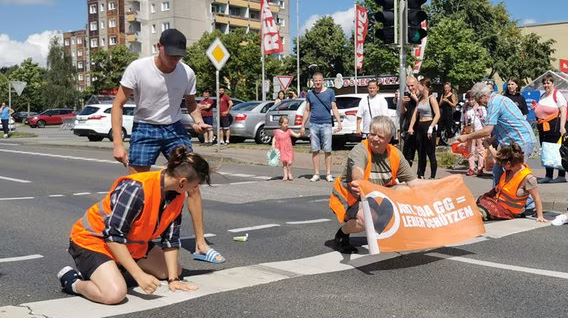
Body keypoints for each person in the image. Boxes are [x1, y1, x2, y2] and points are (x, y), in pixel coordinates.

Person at [110, 29, 224, 264]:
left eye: (178, 56)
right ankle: (133, 244)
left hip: (174, 128)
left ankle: (200, 244)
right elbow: (118, 104)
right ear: (158, 47)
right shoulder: (138, 68)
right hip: (145, 128)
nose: (174, 60)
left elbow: (191, 104)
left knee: (192, 183)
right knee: (137, 189)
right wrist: (118, 145)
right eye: (170, 55)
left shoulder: (187, 73)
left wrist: (199, 121)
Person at [57, 147, 210, 304]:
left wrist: (174, 279)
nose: (195, 190)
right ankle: (73, 282)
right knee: (114, 294)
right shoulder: (136, 188)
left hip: (131, 244)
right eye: (196, 185)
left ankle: (117, 268)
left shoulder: (177, 195)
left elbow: (170, 239)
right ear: (182, 182)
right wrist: (139, 275)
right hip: (93, 241)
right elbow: (113, 236)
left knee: (173, 270)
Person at [329, 116, 422, 253]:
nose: (375, 139)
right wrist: (358, 182)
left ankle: (387, 232)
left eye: (380, 136)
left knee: (405, 191)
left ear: (389, 139)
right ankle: (342, 235)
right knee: (367, 218)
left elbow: (414, 183)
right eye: (372, 134)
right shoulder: (360, 150)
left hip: (376, 198)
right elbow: (357, 171)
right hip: (350, 199)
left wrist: (438, 189)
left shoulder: (395, 154)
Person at [457, 82, 536, 187]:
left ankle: (527, 202)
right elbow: (503, 126)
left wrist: (467, 137)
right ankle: (498, 196)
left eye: (478, 100)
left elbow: (487, 130)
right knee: (498, 170)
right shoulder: (498, 100)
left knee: (516, 175)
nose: (479, 104)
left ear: (484, 96)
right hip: (513, 140)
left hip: (521, 140)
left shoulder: (494, 103)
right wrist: (492, 140)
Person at [476, 142, 546, 223]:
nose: (501, 166)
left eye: (503, 164)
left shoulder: (528, 178)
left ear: (508, 164)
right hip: (497, 202)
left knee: (479, 212)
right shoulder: (509, 170)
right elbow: (497, 157)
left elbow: (536, 198)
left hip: (508, 211)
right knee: (475, 204)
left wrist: (540, 216)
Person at [300, 72, 342, 182]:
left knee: (327, 150)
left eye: (319, 80)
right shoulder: (310, 94)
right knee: (315, 150)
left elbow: (334, 107)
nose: (317, 82)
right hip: (313, 124)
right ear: (312, 82)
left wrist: (339, 122)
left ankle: (328, 174)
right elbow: (307, 110)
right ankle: (316, 173)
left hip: (326, 124)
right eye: (315, 81)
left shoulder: (330, 92)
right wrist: (302, 125)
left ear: (323, 81)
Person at [531, 74, 568, 183]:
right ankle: (548, 175)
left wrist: (562, 127)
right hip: (543, 128)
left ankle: (561, 175)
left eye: (548, 83)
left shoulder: (557, 95)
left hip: (555, 127)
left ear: (553, 83)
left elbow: (564, 110)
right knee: (547, 151)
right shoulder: (543, 96)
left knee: (557, 151)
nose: (546, 85)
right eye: (544, 83)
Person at [408, 78, 440, 179]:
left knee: (430, 152)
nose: (417, 87)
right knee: (421, 152)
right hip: (421, 126)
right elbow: (415, 114)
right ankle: (420, 174)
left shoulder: (432, 98)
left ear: (424, 86)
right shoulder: (420, 98)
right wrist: (411, 127)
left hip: (429, 124)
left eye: (419, 85)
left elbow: (437, 114)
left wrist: (431, 127)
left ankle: (432, 175)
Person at [462, 90, 487, 176]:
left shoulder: (481, 108)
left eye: (472, 99)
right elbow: (463, 120)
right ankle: (471, 168)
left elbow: (485, 120)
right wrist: (464, 129)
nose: (470, 101)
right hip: (470, 131)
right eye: (469, 99)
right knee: (470, 150)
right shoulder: (465, 109)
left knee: (481, 149)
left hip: (479, 131)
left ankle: (480, 168)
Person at [397, 76, 419, 166]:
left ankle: (421, 175)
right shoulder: (408, 95)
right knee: (407, 154)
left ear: (417, 84)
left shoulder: (421, 95)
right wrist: (402, 103)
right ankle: (406, 175)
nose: (410, 88)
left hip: (419, 126)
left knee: (421, 153)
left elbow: (424, 109)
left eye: (412, 85)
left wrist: (415, 98)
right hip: (409, 127)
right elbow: (403, 112)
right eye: (408, 86)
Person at [272, 116, 301, 181]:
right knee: (284, 163)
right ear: (280, 124)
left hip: (289, 149)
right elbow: (274, 138)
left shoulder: (289, 131)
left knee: (290, 162)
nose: (286, 125)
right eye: (285, 123)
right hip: (282, 149)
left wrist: (300, 133)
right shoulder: (277, 132)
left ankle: (289, 173)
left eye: (287, 123)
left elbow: (296, 135)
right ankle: (285, 175)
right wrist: (273, 145)